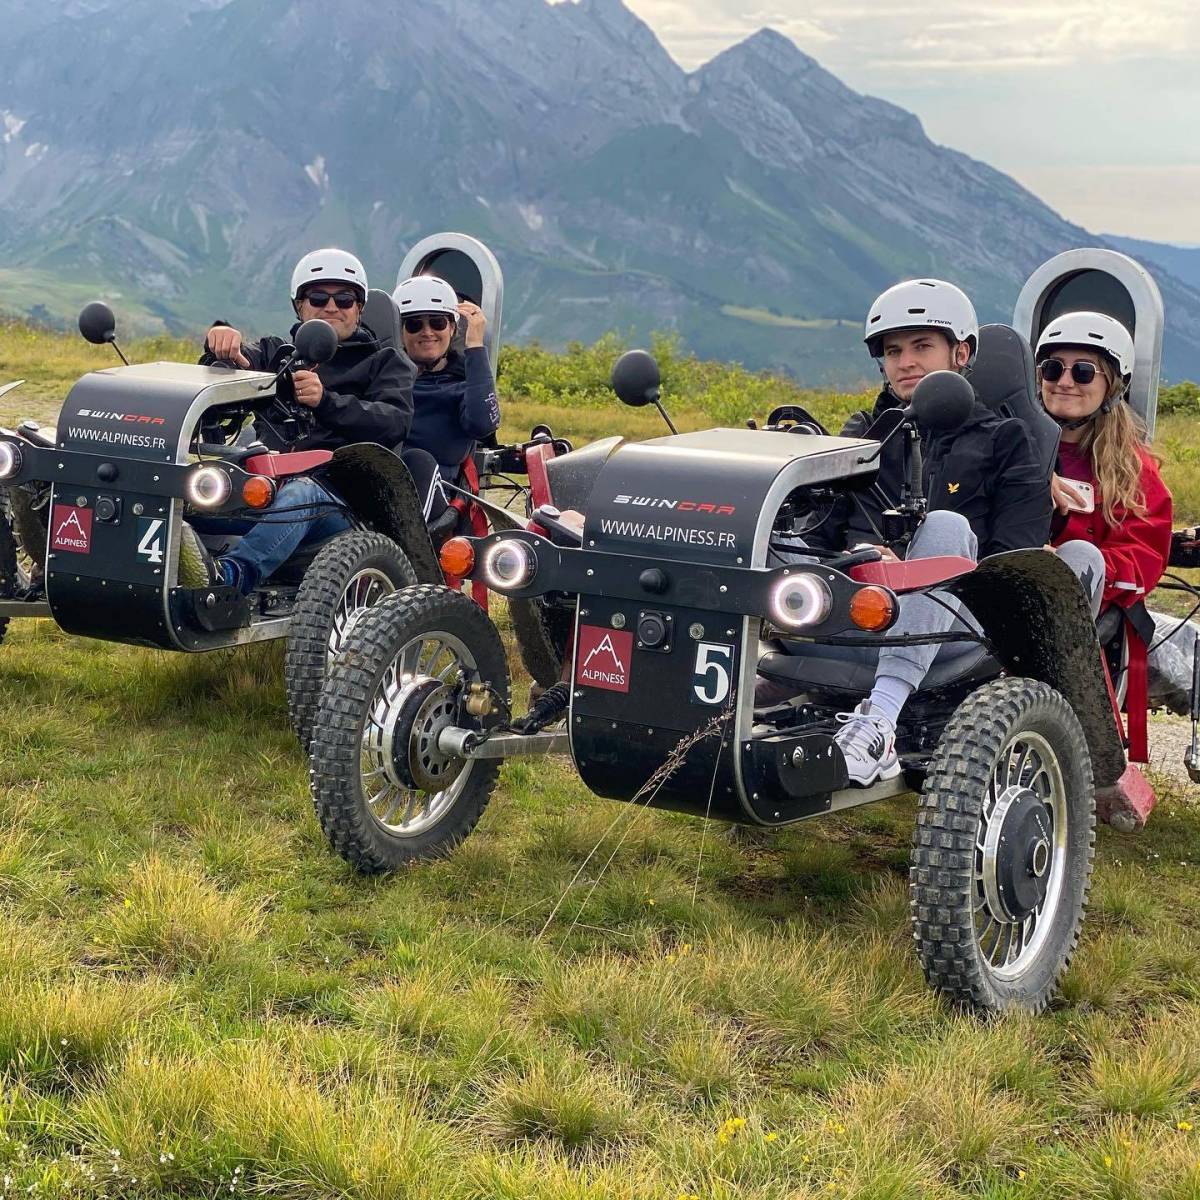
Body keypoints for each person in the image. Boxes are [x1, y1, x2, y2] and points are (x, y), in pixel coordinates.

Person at [772, 279, 1051, 785]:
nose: (906, 362)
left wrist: (911, 565)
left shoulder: (1007, 440)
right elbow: (817, 535)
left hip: (955, 626)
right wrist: (860, 556)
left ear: (961, 352)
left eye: (922, 346)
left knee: (946, 526)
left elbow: (1016, 563)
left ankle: (878, 722)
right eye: (894, 350)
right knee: (767, 535)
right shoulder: (861, 436)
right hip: (854, 610)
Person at [191, 247, 422, 593]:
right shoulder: (278, 354)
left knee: (304, 492)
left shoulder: (387, 361)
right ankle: (155, 570)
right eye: (317, 297)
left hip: (343, 507)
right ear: (299, 306)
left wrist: (326, 401)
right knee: (189, 487)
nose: (331, 307)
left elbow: (394, 421)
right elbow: (242, 363)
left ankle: (231, 579)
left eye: (344, 299)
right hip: (264, 490)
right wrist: (223, 348)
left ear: (359, 308)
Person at [1036, 312, 1187, 709]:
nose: (1065, 381)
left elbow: (1145, 556)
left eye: (1083, 372)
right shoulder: (1010, 446)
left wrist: (1073, 566)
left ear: (1113, 384)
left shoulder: (1131, 468)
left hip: (1080, 621)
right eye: (1053, 369)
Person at [392, 275, 501, 528]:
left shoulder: (463, 384)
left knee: (417, 461)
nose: (427, 332)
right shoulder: (385, 380)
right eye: (414, 324)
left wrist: (475, 346)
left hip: (438, 495)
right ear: (400, 331)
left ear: (452, 328)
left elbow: (483, 424)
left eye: (438, 322)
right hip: (382, 488)